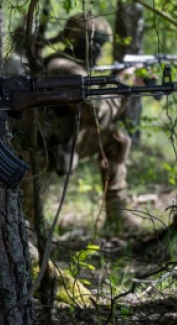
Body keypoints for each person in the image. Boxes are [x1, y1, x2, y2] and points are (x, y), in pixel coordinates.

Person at [36, 13, 141, 232]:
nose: (100, 52)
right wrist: (122, 84)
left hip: (63, 143)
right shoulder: (64, 68)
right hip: (38, 153)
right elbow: (96, 115)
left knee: (116, 139)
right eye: (97, 44)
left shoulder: (69, 66)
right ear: (80, 42)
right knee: (27, 230)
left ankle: (118, 212)